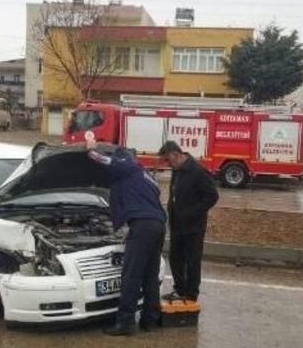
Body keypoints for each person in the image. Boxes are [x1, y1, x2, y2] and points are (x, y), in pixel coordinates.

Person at [85, 136, 166, 336]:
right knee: (149, 275)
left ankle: (125, 322)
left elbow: (100, 159)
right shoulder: (146, 176)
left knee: (131, 275)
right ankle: (150, 320)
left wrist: (90, 147)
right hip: (157, 226)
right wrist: (129, 230)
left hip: (143, 226)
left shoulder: (125, 166)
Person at [157, 141, 219, 302]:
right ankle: (180, 289)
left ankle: (191, 294)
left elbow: (212, 196)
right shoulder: (177, 170)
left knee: (192, 261)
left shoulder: (197, 172)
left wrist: (192, 212)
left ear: (176, 154)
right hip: (177, 224)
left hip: (194, 227)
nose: (167, 164)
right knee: (175, 258)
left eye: (168, 160)